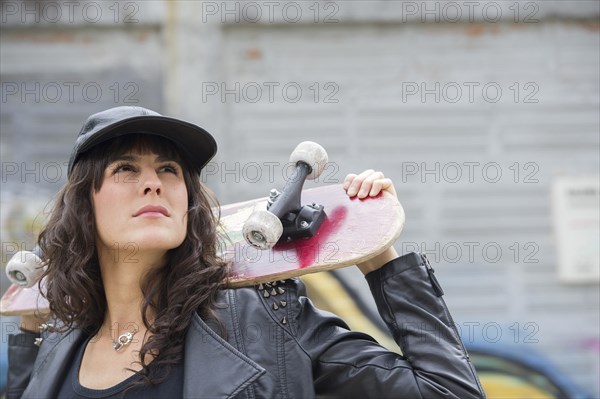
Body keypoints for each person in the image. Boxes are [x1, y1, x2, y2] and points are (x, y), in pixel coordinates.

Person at [7, 106, 486, 399]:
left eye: (170, 169)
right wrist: (28, 330)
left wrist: (379, 255)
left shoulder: (266, 323)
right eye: (126, 169)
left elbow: (448, 392)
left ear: (187, 202)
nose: (153, 181)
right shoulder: (59, 342)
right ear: (84, 206)